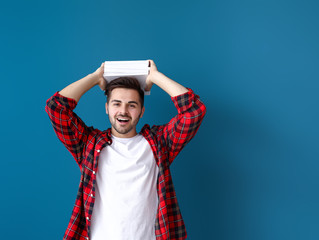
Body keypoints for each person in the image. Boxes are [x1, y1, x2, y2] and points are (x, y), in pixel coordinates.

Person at [45, 60, 206, 240]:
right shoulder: (89, 145)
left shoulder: (159, 143)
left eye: (132, 105)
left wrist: (155, 77)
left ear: (141, 111)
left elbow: (194, 112)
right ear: (107, 108)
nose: (123, 111)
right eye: (116, 103)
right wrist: (95, 78)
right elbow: (56, 108)